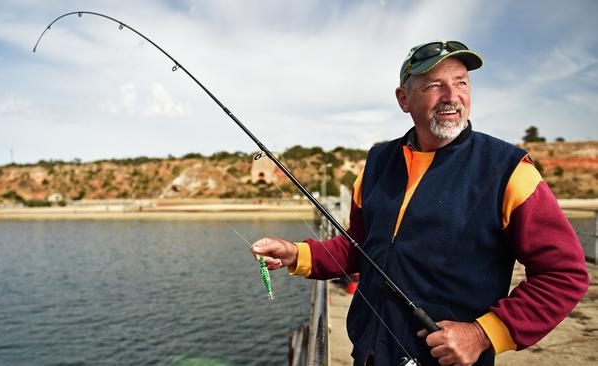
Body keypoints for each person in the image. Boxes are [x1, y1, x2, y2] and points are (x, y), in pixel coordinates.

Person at [251, 40, 589, 366]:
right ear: (403, 98)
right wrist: (297, 254)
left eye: (461, 83)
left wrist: (483, 334)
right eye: (433, 85)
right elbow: (359, 249)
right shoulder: (377, 163)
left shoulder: (509, 170)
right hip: (369, 354)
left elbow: (564, 274)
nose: (452, 97)